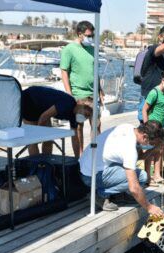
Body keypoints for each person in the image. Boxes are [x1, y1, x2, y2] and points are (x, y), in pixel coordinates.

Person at [79, 121, 164, 215]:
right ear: (144, 137)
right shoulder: (129, 148)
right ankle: (100, 195)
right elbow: (134, 188)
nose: (151, 145)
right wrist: (149, 207)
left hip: (87, 166)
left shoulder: (129, 127)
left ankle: (119, 195)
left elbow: (138, 157)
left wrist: (153, 149)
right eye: (152, 143)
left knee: (132, 170)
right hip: (91, 176)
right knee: (141, 177)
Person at [60, 20, 104, 156]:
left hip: (93, 95)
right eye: (88, 35)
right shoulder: (69, 49)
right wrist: (69, 93)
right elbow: (64, 71)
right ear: (79, 34)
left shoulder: (92, 49)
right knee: (78, 127)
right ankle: (79, 158)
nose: (90, 38)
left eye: (92, 36)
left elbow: (94, 71)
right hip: (78, 96)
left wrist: (100, 90)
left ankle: (94, 156)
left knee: (96, 126)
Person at [21, 86, 92, 157]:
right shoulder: (68, 103)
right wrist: (39, 134)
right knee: (33, 140)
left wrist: (77, 159)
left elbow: (75, 139)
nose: (85, 117)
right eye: (85, 114)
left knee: (48, 139)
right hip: (29, 99)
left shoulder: (74, 115)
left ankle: (46, 162)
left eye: (87, 116)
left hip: (42, 108)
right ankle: (36, 165)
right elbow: (43, 118)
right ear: (80, 103)